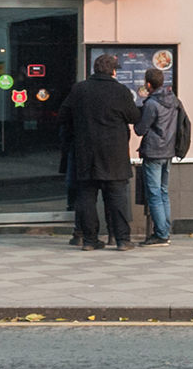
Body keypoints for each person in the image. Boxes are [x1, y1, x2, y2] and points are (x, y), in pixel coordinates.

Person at [60, 53, 140, 251]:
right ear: (113, 71)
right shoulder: (120, 91)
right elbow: (134, 117)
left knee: (86, 198)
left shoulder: (79, 89)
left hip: (85, 152)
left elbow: (63, 115)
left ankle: (89, 240)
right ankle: (122, 240)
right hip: (114, 153)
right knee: (117, 197)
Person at [134, 66, 182, 246]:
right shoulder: (173, 99)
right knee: (163, 192)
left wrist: (136, 121)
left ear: (148, 84)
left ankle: (161, 234)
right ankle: (164, 231)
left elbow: (141, 129)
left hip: (153, 152)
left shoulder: (151, 104)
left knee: (154, 194)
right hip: (169, 151)